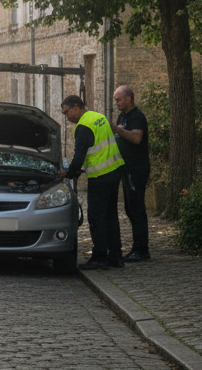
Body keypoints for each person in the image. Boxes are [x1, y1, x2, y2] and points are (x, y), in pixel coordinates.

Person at [59, 94, 125, 270]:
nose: (67, 117)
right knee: (111, 215)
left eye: (66, 112)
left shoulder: (83, 126)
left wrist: (69, 173)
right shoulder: (99, 117)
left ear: (75, 108)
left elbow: (79, 155)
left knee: (96, 217)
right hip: (115, 169)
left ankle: (100, 257)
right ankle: (116, 257)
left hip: (100, 175)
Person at [112, 85, 151, 262]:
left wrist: (118, 130)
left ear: (128, 99)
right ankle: (137, 247)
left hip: (136, 169)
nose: (117, 103)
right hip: (126, 169)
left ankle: (142, 250)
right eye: (115, 100)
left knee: (136, 209)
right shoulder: (123, 115)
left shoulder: (137, 117)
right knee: (129, 208)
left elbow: (136, 138)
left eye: (119, 99)